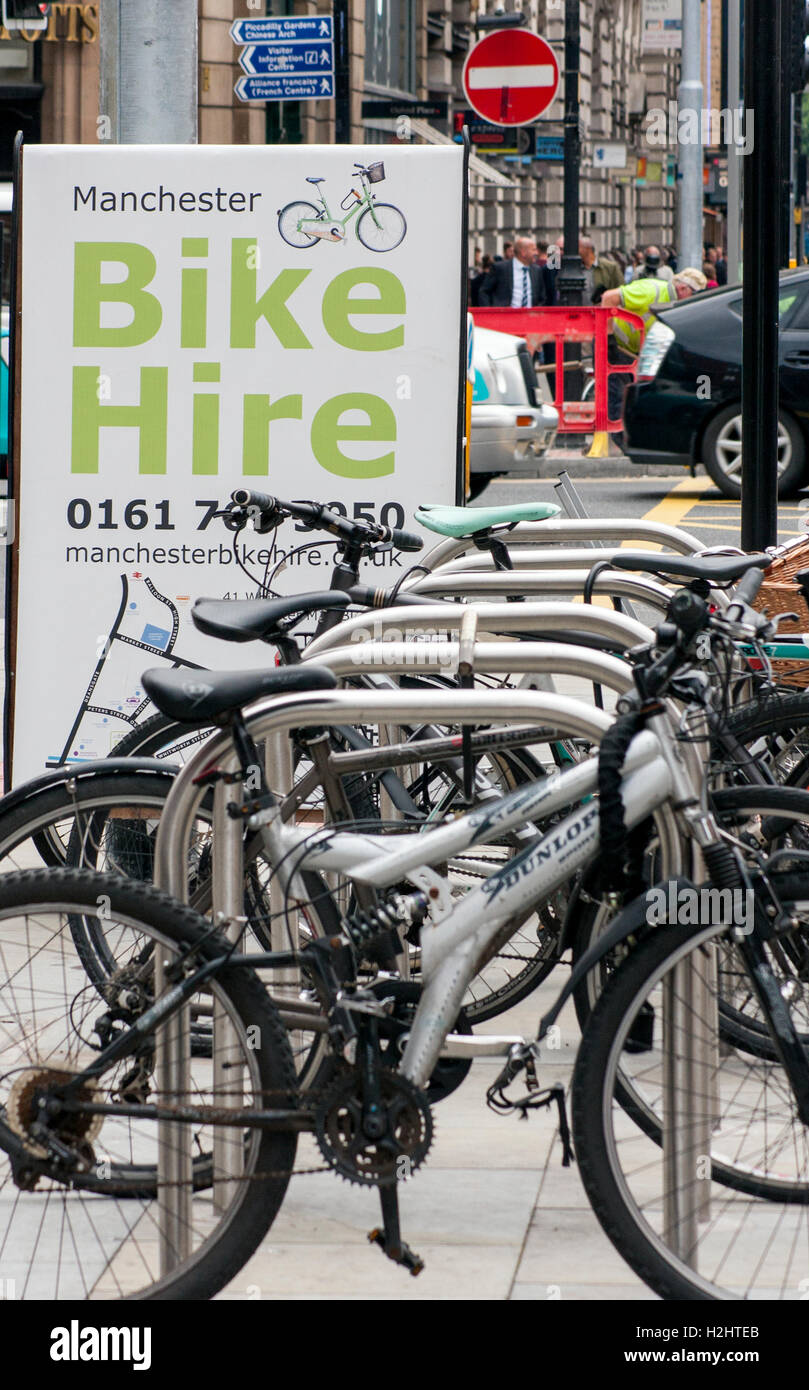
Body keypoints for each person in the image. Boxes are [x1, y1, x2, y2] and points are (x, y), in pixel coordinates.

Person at [600, 267, 707, 425]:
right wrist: (608, 339)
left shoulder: (677, 305)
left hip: (634, 352)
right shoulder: (651, 290)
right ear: (683, 288)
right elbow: (608, 298)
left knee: (635, 399)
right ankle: (622, 441)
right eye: (695, 294)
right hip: (616, 347)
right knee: (618, 400)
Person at [479, 234, 548, 307]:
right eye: (533, 250)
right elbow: (484, 292)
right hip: (505, 316)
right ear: (523, 253)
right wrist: (490, 314)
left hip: (530, 316)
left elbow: (542, 297)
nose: (536, 253)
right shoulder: (500, 268)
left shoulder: (537, 270)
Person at [578, 236, 623, 303]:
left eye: (579, 247)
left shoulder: (610, 267)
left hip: (604, 311)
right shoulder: (576, 269)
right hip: (580, 312)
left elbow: (621, 290)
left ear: (588, 249)